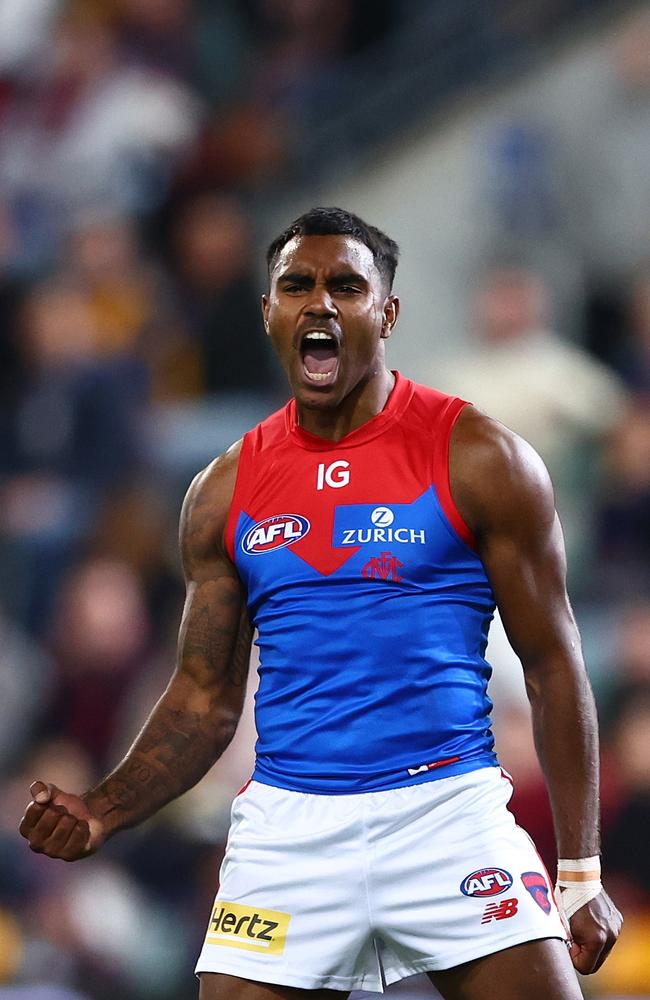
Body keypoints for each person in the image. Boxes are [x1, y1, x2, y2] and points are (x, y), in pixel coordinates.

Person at [20, 207, 621, 999]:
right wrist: (104, 808)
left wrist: (579, 870)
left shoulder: (481, 456)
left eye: (347, 285)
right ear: (269, 310)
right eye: (297, 285)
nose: (321, 303)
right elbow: (203, 699)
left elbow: (551, 664)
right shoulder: (222, 490)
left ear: (388, 312)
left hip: (448, 814)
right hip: (289, 834)